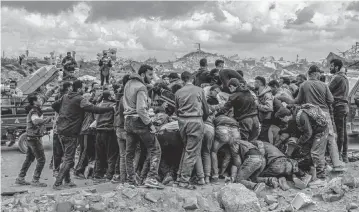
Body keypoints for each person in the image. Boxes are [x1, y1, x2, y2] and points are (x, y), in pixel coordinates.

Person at [278, 65, 345, 172]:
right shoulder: (323, 85)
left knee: (315, 138)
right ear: (314, 73)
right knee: (330, 138)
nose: (320, 75)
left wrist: (283, 98)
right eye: (319, 73)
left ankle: (315, 166)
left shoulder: (304, 85)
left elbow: (298, 100)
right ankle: (335, 164)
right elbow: (331, 100)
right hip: (324, 114)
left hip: (310, 114)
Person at [51, 80, 115, 190]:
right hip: (70, 131)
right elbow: (95, 109)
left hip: (61, 129)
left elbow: (54, 105)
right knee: (69, 159)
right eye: (82, 88)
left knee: (66, 156)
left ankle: (68, 181)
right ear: (79, 89)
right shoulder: (80, 99)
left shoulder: (65, 97)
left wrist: (64, 114)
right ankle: (58, 183)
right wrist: (110, 108)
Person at [123, 65, 163, 188]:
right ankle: (151, 178)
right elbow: (140, 109)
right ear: (142, 74)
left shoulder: (128, 84)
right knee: (155, 149)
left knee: (129, 153)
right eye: (150, 75)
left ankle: (131, 180)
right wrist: (150, 124)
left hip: (128, 120)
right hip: (139, 121)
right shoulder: (141, 87)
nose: (151, 78)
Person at [15, 85, 58, 187]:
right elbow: (35, 121)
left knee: (29, 159)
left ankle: (20, 178)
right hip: (34, 138)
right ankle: (35, 180)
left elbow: (45, 97)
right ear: (34, 102)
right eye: (38, 99)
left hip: (30, 137)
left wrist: (53, 89)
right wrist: (46, 120)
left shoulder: (36, 106)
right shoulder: (34, 111)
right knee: (41, 160)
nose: (41, 100)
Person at [175, 71, 209, 189]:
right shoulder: (199, 90)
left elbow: (176, 110)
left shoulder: (178, 92)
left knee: (187, 148)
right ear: (192, 79)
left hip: (182, 122)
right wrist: (202, 120)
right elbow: (206, 109)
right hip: (195, 121)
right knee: (191, 151)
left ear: (182, 80)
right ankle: (184, 181)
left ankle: (179, 176)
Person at [276, 105, 329, 180]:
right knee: (310, 151)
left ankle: (321, 176)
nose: (281, 121)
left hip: (321, 131)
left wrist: (299, 142)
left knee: (315, 152)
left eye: (281, 119)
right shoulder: (294, 117)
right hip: (315, 130)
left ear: (286, 117)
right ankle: (321, 168)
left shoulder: (301, 116)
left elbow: (308, 133)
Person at [93, 90, 118, 182]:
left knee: (100, 154)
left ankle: (98, 174)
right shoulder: (113, 106)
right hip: (109, 131)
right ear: (110, 97)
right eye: (113, 94)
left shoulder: (98, 105)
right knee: (111, 154)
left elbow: (95, 118)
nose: (114, 96)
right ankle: (109, 175)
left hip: (98, 131)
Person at [329, 59, 349, 163]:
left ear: (337, 67)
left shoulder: (337, 77)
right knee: (344, 133)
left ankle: (339, 157)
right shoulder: (345, 77)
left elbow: (327, 91)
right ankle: (344, 156)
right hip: (344, 106)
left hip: (338, 106)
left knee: (339, 132)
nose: (330, 68)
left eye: (331, 66)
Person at [73, 92, 96, 179]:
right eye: (89, 97)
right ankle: (78, 170)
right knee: (85, 150)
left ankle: (82, 170)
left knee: (86, 150)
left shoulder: (84, 106)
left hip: (85, 130)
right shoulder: (86, 107)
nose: (90, 98)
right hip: (86, 130)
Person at [52, 82, 72, 177]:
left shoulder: (64, 97)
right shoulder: (64, 97)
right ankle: (58, 171)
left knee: (59, 152)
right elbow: (55, 106)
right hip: (61, 128)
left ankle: (58, 170)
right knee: (61, 152)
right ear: (68, 88)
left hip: (61, 129)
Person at [254, 76, 274, 141]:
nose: (254, 84)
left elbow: (269, 108)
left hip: (266, 120)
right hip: (262, 119)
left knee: (263, 138)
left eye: (255, 83)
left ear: (259, 83)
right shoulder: (259, 93)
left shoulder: (267, 94)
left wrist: (258, 105)